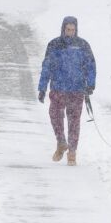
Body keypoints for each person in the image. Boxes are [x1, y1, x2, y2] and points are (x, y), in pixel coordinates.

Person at [37, 16, 96, 166]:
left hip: (76, 90)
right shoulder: (54, 44)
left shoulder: (83, 45)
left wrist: (91, 84)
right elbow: (46, 67)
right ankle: (61, 142)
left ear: (76, 29)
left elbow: (91, 65)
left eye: (73, 29)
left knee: (74, 121)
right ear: (63, 29)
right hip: (58, 88)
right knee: (55, 115)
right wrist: (42, 88)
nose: (70, 32)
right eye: (68, 29)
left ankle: (72, 153)